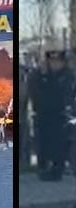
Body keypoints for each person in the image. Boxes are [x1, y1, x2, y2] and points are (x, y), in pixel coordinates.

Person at [29, 50, 73, 181]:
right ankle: (43, 168)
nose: (55, 65)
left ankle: (57, 170)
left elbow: (68, 93)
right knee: (42, 142)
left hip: (60, 114)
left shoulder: (67, 75)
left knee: (59, 143)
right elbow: (34, 91)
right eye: (52, 62)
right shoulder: (39, 74)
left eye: (57, 62)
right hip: (42, 114)